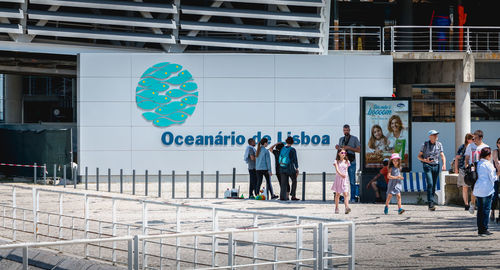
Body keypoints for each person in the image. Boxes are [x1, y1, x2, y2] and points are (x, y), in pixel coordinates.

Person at [417, 130, 446, 211]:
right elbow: (419, 156)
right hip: (427, 165)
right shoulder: (425, 144)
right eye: (434, 135)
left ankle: (431, 203)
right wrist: (425, 160)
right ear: (430, 136)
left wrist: (444, 164)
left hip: (436, 165)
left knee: (433, 185)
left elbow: (442, 155)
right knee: (430, 183)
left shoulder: (439, 144)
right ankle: (430, 203)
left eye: (436, 134)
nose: (436, 136)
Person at [473, 147, 498, 236]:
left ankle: (480, 229)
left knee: (480, 209)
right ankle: (484, 228)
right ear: (489, 155)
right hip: (487, 189)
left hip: (478, 188)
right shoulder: (489, 164)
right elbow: (493, 178)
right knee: (486, 209)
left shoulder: (478, 163)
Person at [464, 130, 489, 214]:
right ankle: (473, 204)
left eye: (476, 138)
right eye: (473, 138)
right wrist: (466, 166)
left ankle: (479, 204)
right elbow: (467, 157)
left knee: (481, 186)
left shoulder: (485, 147)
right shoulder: (470, 146)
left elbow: (488, 159)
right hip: (473, 169)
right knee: (474, 187)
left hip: (482, 169)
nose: (474, 140)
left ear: (481, 138)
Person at [335, 124, 360, 203]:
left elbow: (359, 150)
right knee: (342, 180)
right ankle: (344, 197)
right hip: (343, 163)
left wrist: (349, 148)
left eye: (347, 130)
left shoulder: (354, 139)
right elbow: (340, 151)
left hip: (351, 161)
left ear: (349, 130)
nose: (346, 132)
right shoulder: (341, 139)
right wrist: (338, 148)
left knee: (352, 180)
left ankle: (352, 197)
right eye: (344, 130)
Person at [454, 133, 474, 211]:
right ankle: (466, 204)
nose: (473, 140)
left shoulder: (474, 147)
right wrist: (456, 169)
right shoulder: (462, 147)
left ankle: (472, 203)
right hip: (463, 169)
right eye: (472, 139)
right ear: (467, 139)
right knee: (464, 187)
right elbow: (456, 157)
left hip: (472, 168)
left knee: (473, 187)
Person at [279, 137, 299, 201]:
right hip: (289, 168)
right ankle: (293, 196)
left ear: (286, 142)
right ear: (292, 142)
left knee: (283, 183)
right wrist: (297, 168)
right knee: (294, 180)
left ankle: (283, 196)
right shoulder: (292, 149)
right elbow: (295, 159)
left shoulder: (282, 148)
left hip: (282, 167)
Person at [332, 148, 351, 214]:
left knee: (346, 193)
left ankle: (346, 207)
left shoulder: (347, 161)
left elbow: (346, 170)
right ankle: (336, 207)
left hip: (345, 179)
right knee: (338, 194)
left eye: (345, 153)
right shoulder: (336, 161)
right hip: (338, 178)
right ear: (339, 153)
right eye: (342, 153)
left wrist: (345, 176)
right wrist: (341, 175)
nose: (344, 154)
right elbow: (337, 169)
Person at [490, 137, 500, 223]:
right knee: (495, 195)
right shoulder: (495, 151)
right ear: (497, 144)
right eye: (499, 143)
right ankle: (492, 211)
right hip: (496, 175)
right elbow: (496, 162)